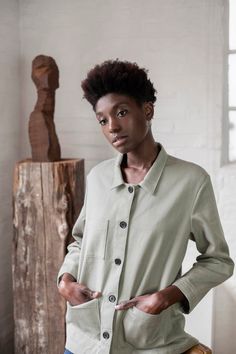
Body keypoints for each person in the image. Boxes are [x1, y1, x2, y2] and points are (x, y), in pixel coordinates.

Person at [57, 60, 234, 354]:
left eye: (122, 112)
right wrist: (65, 280)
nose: (112, 126)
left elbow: (218, 261)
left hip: (150, 343)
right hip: (84, 340)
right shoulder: (99, 177)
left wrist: (167, 296)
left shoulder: (191, 182)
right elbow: (79, 242)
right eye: (102, 120)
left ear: (147, 110)